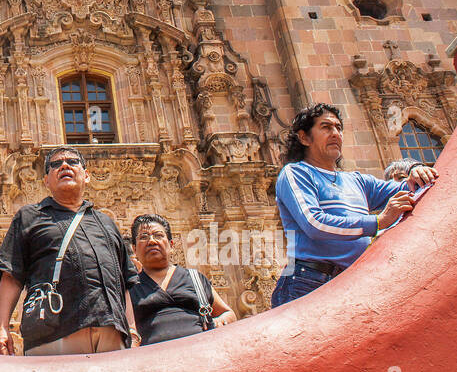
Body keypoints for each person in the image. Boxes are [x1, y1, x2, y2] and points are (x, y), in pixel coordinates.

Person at [271, 103, 437, 307]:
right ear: (304, 137)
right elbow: (314, 224)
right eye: (326, 127)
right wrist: (378, 221)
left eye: (338, 128)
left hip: (354, 279)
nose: (335, 134)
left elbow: (409, 189)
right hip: (310, 282)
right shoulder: (296, 173)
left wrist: (416, 169)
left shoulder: (357, 181)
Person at [0, 146, 139, 355]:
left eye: (73, 162)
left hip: (110, 332)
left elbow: (124, 282)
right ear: (46, 181)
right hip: (53, 332)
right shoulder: (30, 217)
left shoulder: (106, 223)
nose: (64, 166)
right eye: (55, 165)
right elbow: (11, 275)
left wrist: (132, 331)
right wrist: (1, 329)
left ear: (86, 176)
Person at [129, 214, 236, 344]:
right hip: (154, 358)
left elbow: (228, 313)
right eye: (144, 237)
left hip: (201, 352)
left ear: (171, 245)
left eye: (158, 235)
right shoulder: (130, 288)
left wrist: (219, 322)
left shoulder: (195, 278)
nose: (152, 241)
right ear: (134, 249)